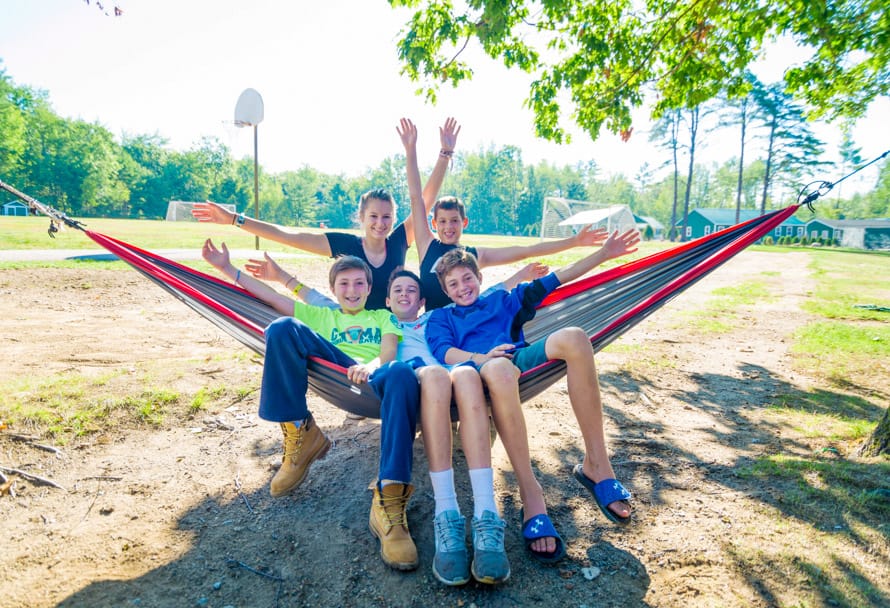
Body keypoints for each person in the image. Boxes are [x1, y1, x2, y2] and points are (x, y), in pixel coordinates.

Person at [245, 246, 545, 586]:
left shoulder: (436, 318)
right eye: (397, 290)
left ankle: (448, 502)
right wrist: (263, 274)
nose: (404, 293)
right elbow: (319, 298)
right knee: (286, 328)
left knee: (433, 374)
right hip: (377, 380)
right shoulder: (371, 316)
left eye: (412, 290)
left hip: (433, 381)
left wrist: (519, 277)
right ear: (385, 299)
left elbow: (482, 295)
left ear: (421, 302)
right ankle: (302, 434)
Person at [201, 240, 423, 571]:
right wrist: (227, 269)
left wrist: (373, 365)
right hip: (337, 371)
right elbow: (273, 299)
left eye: (359, 283)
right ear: (333, 289)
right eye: (344, 284)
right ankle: (299, 430)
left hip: (376, 378)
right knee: (281, 327)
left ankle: (388, 499)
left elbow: (389, 352)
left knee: (403, 372)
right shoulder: (322, 316)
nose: (352, 289)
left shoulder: (382, 316)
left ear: (370, 288)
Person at [425, 229, 641, 562]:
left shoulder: (503, 299)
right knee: (498, 369)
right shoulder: (441, 317)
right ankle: (531, 493)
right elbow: (445, 352)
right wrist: (485, 358)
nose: (462, 287)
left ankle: (598, 464)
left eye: (467, 278)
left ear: (479, 277)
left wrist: (604, 254)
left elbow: (557, 278)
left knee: (575, 337)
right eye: (452, 285)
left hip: (518, 359)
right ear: (444, 291)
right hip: (476, 374)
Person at [191, 117, 461, 310]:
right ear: (362, 217)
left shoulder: (399, 240)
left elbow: (424, 201)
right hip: (351, 325)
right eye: (374, 217)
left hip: (389, 330)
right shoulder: (345, 244)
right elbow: (287, 235)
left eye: (387, 217)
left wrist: (444, 154)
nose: (381, 223)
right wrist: (234, 220)